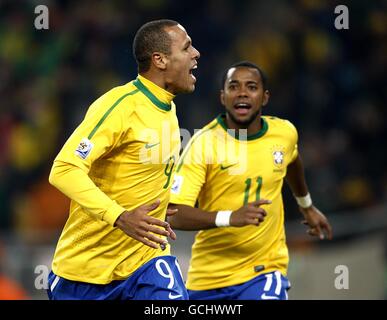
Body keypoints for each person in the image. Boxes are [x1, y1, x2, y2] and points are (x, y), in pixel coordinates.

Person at [47, 19, 200, 300]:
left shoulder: (167, 108)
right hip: (85, 272)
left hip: (146, 262)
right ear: (160, 59)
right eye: (187, 47)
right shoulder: (119, 105)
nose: (196, 54)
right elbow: (64, 169)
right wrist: (120, 216)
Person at [168, 61, 332, 300]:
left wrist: (306, 205)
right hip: (207, 278)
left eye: (251, 87)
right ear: (223, 97)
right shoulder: (203, 144)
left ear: (264, 97)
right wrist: (230, 217)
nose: (242, 93)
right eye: (233, 87)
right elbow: (173, 213)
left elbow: (293, 161)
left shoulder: (284, 133)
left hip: (264, 271)